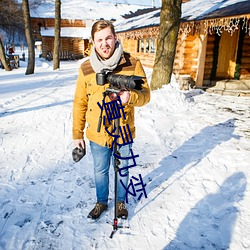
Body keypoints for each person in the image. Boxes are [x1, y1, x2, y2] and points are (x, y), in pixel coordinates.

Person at [72, 20, 150, 220]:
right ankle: (101, 201)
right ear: (93, 42)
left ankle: (121, 201)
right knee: (100, 171)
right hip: (97, 133)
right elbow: (80, 102)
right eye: (99, 40)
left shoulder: (132, 63)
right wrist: (77, 134)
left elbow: (146, 95)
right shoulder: (86, 68)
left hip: (123, 129)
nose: (104, 43)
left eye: (108, 38)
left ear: (115, 38)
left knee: (122, 168)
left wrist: (130, 97)